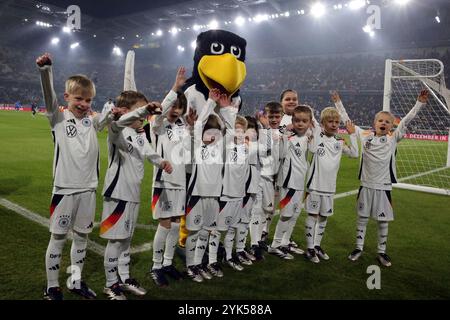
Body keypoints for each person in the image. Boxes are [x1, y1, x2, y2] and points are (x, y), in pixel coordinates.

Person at [36, 52, 112, 300]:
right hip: (65, 190)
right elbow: (49, 97)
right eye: (79, 98)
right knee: (58, 238)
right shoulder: (58, 118)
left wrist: (113, 112)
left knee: (82, 239)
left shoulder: (91, 121)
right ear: (67, 97)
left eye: (89, 100)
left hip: (88, 190)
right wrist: (46, 70)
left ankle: (75, 282)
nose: (84, 104)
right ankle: (52, 286)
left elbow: (107, 121)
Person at [332, 90, 429, 267]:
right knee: (362, 218)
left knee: (383, 220)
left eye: (387, 122)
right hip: (366, 185)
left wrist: (419, 104)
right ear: (374, 123)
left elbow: (406, 120)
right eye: (380, 121)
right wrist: (338, 103)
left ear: (392, 126)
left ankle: (381, 252)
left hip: (384, 187)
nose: (383, 123)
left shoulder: (393, 138)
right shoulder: (365, 136)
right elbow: (348, 121)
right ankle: (358, 247)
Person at [100, 91, 172, 300]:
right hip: (117, 194)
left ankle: (123, 277)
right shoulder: (116, 130)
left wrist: (161, 161)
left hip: (132, 194)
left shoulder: (139, 134)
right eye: (140, 110)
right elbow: (118, 124)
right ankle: (110, 284)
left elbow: (148, 151)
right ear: (124, 111)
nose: (143, 116)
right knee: (115, 241)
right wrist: (142, 111)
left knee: (125, 240)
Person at [148, 67, 190, 287]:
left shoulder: (184, 126)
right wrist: (174, 89)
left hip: (180, 183)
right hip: (163, 181)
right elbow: (159, 112)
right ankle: (155, 266)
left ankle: (167, 263)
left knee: (175, 224)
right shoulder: (159, 125)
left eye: (179, 107)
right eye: (173, 106)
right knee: (165, 225)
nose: (175, 110)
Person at [304, 105, 359, 263]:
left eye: (336, 122)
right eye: (330, 121)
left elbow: (355, 154)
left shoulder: (340, 142)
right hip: (314, 185)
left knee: (323, 217)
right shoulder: (316, 137)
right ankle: (309, 249)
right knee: (313, 216)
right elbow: (312, 142)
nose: (334, 124)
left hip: (329, 187)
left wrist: (352, 134)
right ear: (322, 123)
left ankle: (316, 245)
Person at [184, 89, 225, 283]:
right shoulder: (199, 147)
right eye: (209, 131)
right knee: (194, 231)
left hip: (214, 195)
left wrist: (225, 109)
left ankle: (199, 263)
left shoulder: (221, 147)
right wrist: (210, 101)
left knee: (206, 231)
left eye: (216, 132)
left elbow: (230, 130)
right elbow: (199, 124)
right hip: (197, 194)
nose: (213, 135)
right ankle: (190, 266)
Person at [268, 105, 313, 259]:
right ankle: (275, 245)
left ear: (310, 123)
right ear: (292, 121)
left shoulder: (308, 137)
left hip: (300, 182)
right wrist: (283, 132)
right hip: (288, 183)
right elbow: (276, 146)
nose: (300, 124)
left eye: (304, 121)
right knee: (286, 215)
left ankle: (285, 242)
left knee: (294, 214)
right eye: (297, 121)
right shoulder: (287, 137)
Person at [250, 102, 283, 256]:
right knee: (257, 210)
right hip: (259, 176)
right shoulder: (259, 131)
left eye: (277, 116)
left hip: (271, 178)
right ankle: (254, 243)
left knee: (267, 210)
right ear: (264, 116)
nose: (274, 119)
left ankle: (259, 240)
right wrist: (267, 128)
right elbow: (265, 151)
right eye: (271, 116)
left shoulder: (282, 133)